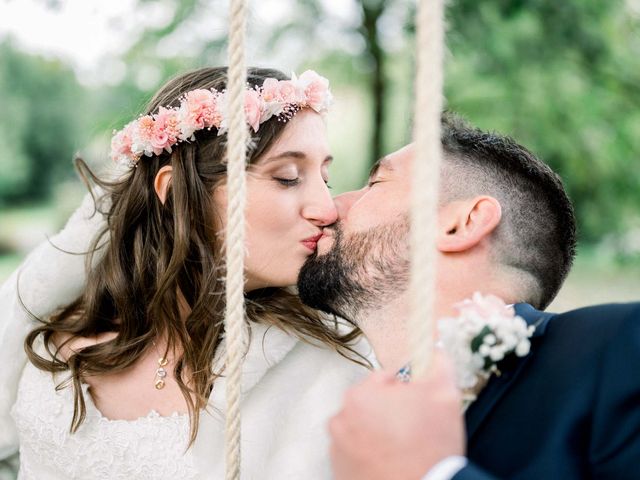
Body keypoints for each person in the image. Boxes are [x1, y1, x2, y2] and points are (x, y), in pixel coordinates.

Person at [0, 66, 371, 479]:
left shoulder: (332, 364)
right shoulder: (53, 346)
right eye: (287, 178)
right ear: (174, 191)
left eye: (327, 179)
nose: (327, 209)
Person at [298, 115, 640, 479]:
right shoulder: (345, 423)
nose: (333, 206)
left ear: (461, 224)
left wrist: (433, 473)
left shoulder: (621, 348)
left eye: (375, 183)